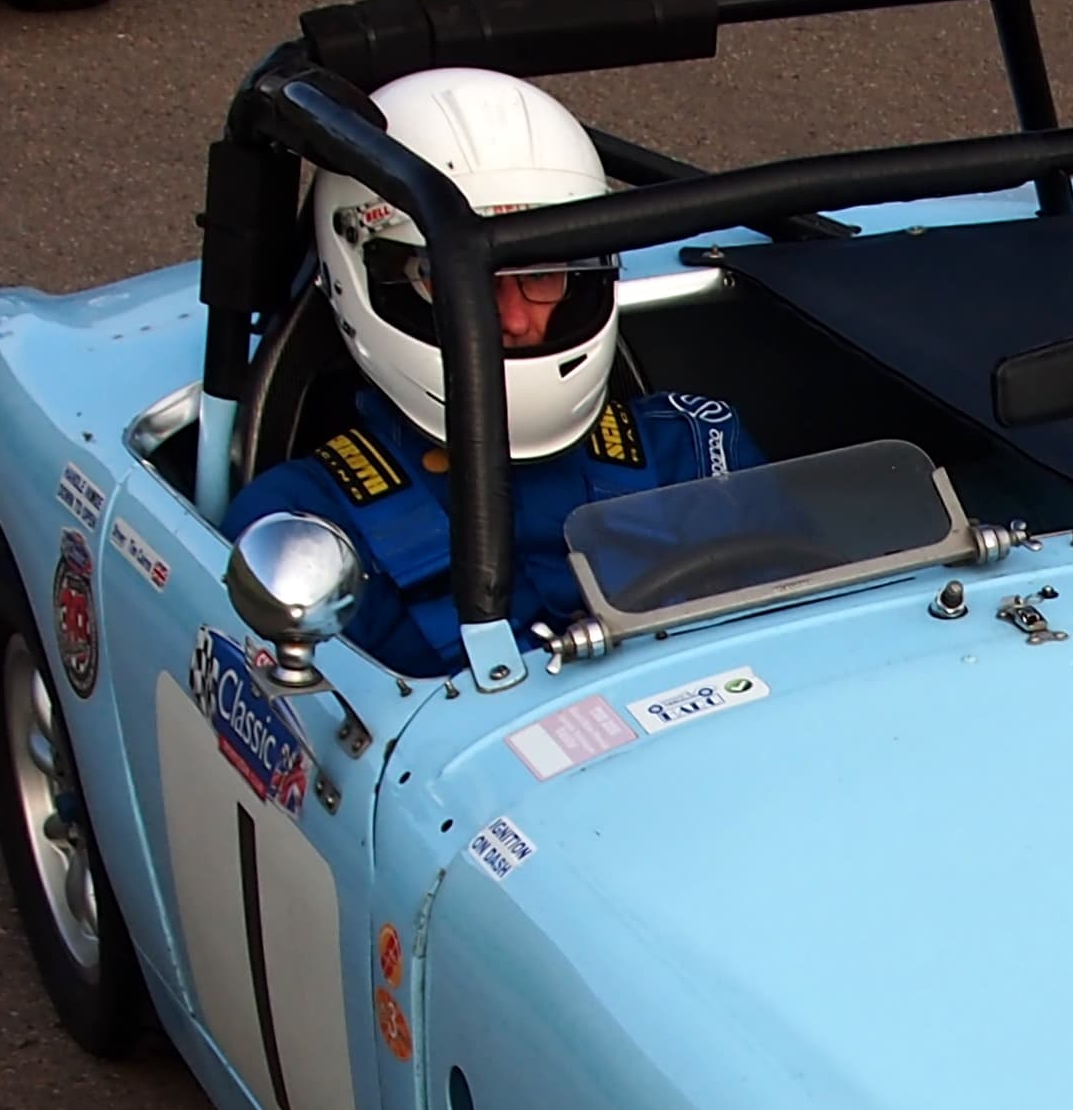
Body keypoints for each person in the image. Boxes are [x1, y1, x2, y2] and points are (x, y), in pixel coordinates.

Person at [225, 66, 756, 682]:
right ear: (366, 279)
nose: (509, 319)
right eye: (459, 281)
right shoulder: (303, 534)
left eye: (541, 274)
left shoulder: (692, 447)